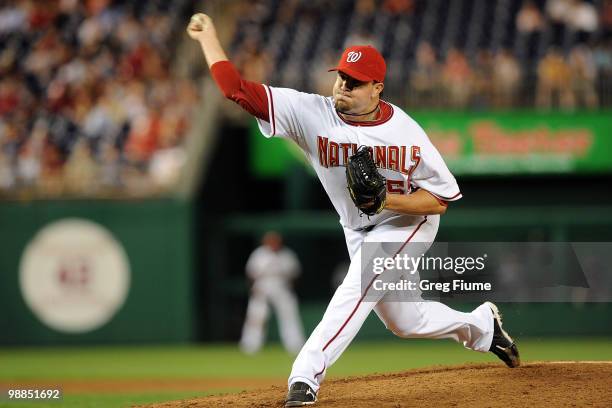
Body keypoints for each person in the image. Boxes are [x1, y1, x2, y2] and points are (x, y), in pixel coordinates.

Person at [187, 13, 520, 407]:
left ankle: (304, 377)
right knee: (406, 322)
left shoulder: (407, 133)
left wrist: (387, 201)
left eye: (355, 81)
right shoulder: (310, 111)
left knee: (358, 283)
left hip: (408, 220)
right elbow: (235, 90)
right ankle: (482, 326)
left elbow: (442, 199)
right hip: (356, 226)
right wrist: (209, 38)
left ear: (378, 88)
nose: (343, 85)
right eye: (341, 75)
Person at [240, 231, 305, 355]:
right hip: (263, 286)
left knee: (289, 315)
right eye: (270, 241)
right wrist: (253, 288)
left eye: (275, 241)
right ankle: (250, 345)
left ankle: (295, 344)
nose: (273, 244)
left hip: (281, 286)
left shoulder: (287, 255)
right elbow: (251, 274)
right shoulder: (259, 254)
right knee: (257, 316)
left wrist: (291, 286)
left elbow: (295, 274)